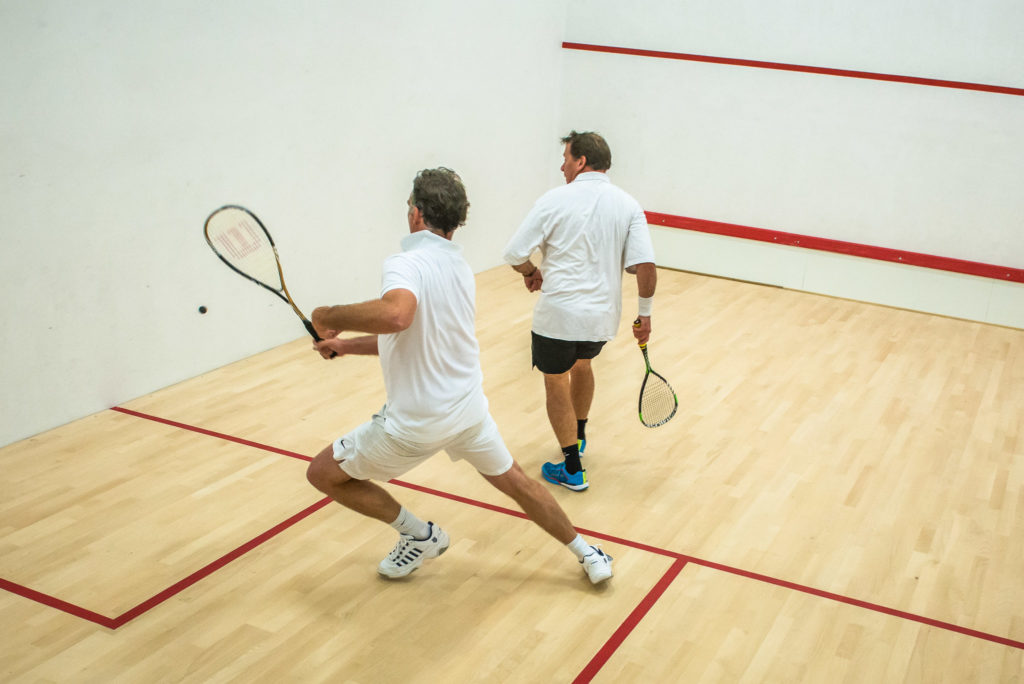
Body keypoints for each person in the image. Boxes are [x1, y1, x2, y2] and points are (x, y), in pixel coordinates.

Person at [305, 167, 613, 583]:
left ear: (415, 214)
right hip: (468, 412)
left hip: (415, 425)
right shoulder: (459, 268)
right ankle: (589, 553)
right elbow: (410, 334)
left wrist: (326, 316)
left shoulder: (405, 263)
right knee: (518, 483)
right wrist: (343, 344)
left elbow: (397, 315)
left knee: (322, 473)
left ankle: (419, 536)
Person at [503, 131, 656, 492]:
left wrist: (531, 272)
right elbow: (645, 264)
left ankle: (571, 467)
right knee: (583, 365)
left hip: (558, 318)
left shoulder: (553, 200)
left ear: (581, 161)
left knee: (556, 379)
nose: (562, 165)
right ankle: (580, 438)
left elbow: (513, 254)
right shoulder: (628, 205)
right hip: (601, 321)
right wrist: (645, 315)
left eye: (566, 158)